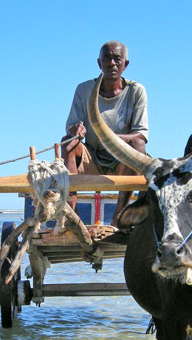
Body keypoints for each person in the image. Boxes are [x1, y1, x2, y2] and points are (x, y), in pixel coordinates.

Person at [62, 41, 148, 225]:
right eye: (106, 59)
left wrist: (111, 139)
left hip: (123, 161)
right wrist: (76, 130)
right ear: (99, 64)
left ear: (125, 65)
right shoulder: (84, 90)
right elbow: (71, 126)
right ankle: (73, 218)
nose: (111, 63)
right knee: (67, 142)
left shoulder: (136, 91)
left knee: (138, 146)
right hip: (91, 157)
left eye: (117, 59)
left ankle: (119, 216)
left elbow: (141, 135)